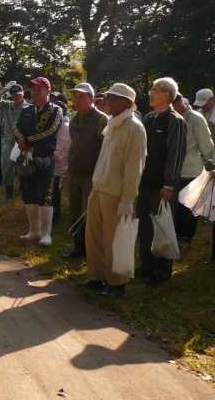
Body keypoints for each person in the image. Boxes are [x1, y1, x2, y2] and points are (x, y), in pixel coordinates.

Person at [85, 83, 147, 296]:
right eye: (108, 98)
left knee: (114, 240)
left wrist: (128, 199)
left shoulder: (135, 128)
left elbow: (134, 167)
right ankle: (95, 276)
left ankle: (117, 283)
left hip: (117, 194)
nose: (107, 102)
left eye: (113, 99)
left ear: (127, 103)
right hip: (99, 188)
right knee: (93, 236)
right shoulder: (112, 123)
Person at [137, 77, 187, 285]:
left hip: (162, 186)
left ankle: (162, 271)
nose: (150, 92)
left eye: (155, 89)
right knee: (145, 226)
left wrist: (169, 184)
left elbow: (175, 155)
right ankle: (146, 266)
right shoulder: (148, 118)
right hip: (145, 183)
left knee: (162, 226)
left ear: (167, 95)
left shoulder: (175, 121)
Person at [14, 77, 63, 246]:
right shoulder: (27, 110)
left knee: (46, 196)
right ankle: (33, 231)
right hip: (27, 158)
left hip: (45, 159)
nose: (35, 92)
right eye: (33, 89)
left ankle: (46, 233)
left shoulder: (56, 110)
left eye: (39, 89)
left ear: (48, 91)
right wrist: (21, 140)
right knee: (29, 194)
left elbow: (50, 131)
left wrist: (27, 141)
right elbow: (17, 127)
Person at [62, 83, 108, 258]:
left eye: (81, 96)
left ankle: (92, 252)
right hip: (74, 172)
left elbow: (106, 149)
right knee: (74, 213)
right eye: (75, 96)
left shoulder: (102, 119)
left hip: (92, 175)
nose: (77, 100)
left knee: (89, 215)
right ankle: (78, 248)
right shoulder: (74, 120)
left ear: (91, 98)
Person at [172, 93, 215, 251]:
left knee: (188, 208)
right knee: (174, 206)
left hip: (191, 171)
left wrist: (214, 163)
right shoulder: (168, 116)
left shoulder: (196, 119)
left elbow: (207, 146)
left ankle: (185, 239)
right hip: (171, 171)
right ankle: (173, 236)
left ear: (180, 102)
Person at [0, 81, 30, 200]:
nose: (16, 97)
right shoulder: (7, 105)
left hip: (23, 142)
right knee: (6, 167)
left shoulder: (29, 108)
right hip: (8, 141)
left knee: (24, 167)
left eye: (18, 94)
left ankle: (23, 192)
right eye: (13, 95)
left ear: (22, 94)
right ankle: (9, 193)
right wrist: (5, 89)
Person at [51, 99, 70, 222]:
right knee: (52, 192)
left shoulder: (64, 126)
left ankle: (55, 216)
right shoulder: (56, 124)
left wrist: (50, 156)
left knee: (55, 192)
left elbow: (63, 147)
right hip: (53, 164)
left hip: (59, 166)